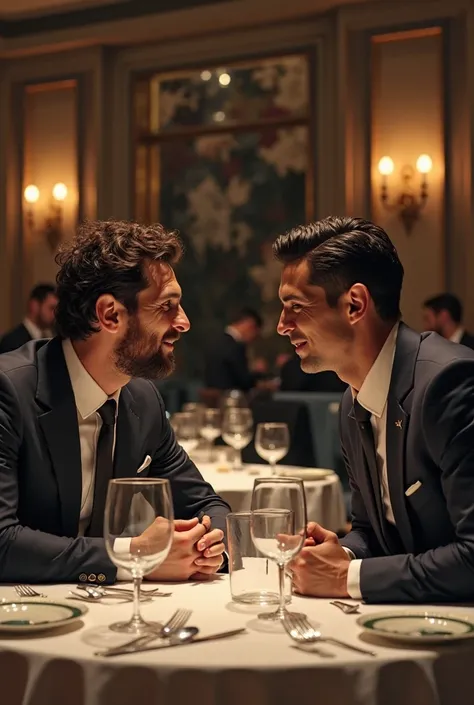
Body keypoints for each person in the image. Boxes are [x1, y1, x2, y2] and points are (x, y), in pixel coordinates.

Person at [0, 220, 229, 584]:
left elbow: (206, 505)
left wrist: (208, 545)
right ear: (110, 315)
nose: (183, 322)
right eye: (167, 307)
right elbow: (3, 543)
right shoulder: (9, 391)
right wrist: (136, 556)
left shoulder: (142, 399)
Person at [275, 216, 474, 603]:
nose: (283, 325)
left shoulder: (450, 384)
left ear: (355, 304)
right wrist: (343, 551)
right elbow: (372, 529)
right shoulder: (353, 398)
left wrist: (346, 577)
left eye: (295, 306)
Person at [204, 307, 264, 391]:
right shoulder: (235, 347)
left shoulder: (215, 341)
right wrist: (258, 373)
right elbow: (244, 381)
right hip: (230, 399)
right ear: (250, 324)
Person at [0, 283, 57, 353]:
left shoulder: (53, 337)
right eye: (51, 308)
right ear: (34, 306)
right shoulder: (12, 341)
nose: (55, 314)